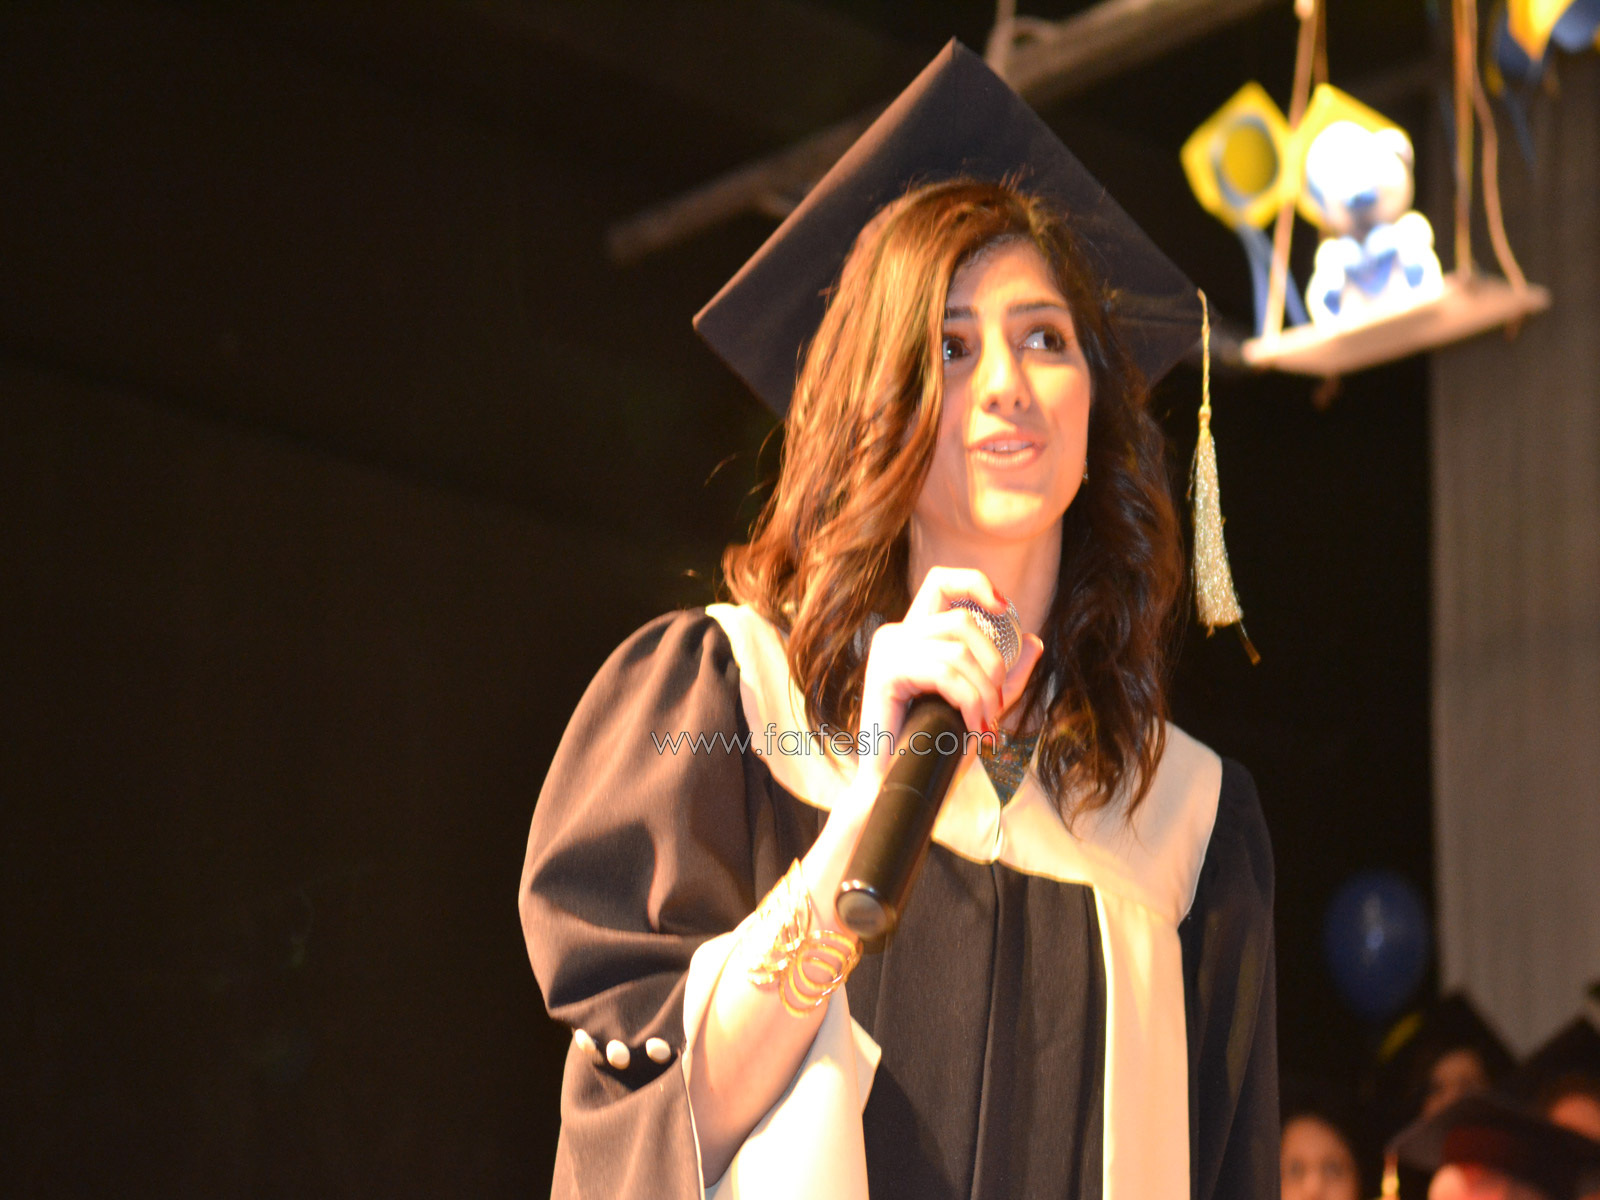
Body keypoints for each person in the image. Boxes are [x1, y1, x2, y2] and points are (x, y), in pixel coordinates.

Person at [518, 42, 1278, 1200]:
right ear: (880, 405)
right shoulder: (730, 708)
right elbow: (663, 1131)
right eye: (950, 346)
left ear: (1096, 407)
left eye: (1045, 338)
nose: (1007, 384)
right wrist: (867, 812)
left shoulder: (1183, 820)